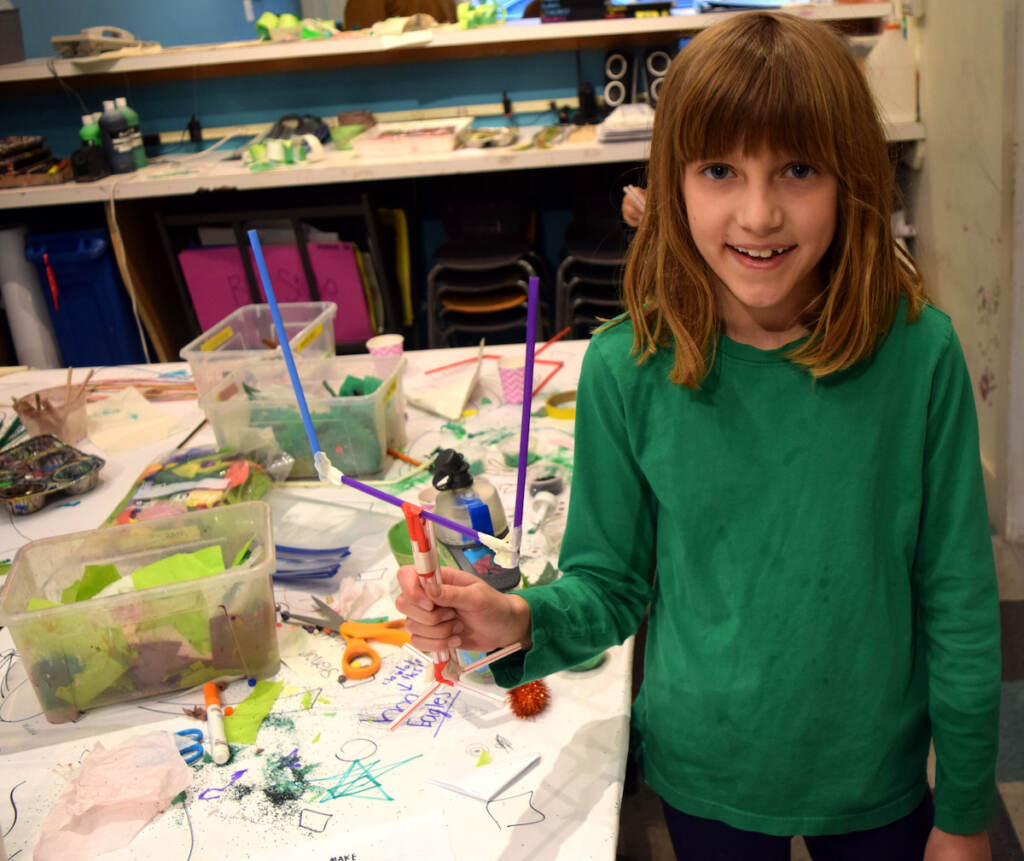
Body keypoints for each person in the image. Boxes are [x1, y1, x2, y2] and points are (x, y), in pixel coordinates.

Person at [396, 11, 1001, 860]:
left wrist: (966, 810)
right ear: (671, 183)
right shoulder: (626, 368)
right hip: (705, 765)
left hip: (875, 771)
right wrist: (513, 614)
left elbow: (960, 601)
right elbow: (609, 584)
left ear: (853, 178)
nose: (758, 214)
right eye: (720, 169)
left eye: (798, 168)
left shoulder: (919, 354)